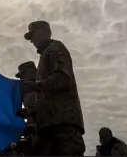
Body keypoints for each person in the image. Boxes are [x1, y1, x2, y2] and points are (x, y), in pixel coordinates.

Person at [21, 21, 85, 156]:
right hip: (49, 127)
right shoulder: (45, 55)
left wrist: (34, 86)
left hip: (63, 125)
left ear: (44, 32)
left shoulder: (55, 50)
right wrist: (30, 111)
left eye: (33, 35)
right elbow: (47, 97)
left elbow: (63, 80)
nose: (31, 41)